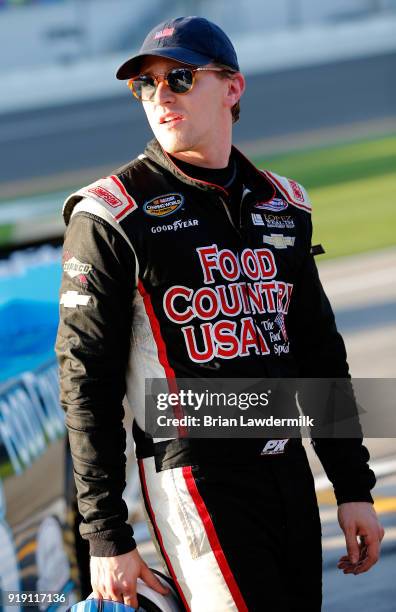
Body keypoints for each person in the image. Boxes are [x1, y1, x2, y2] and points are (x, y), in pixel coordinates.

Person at [55, 16, 384, 611]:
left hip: (286, 468)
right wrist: (104, 532)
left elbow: (317, 351)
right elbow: (85, 381)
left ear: (232, 88)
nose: (161, 96)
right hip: (195, 478)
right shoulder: (112, 214)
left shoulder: (282, 202)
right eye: (145, 85)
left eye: (179, 78)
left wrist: (353, 485)